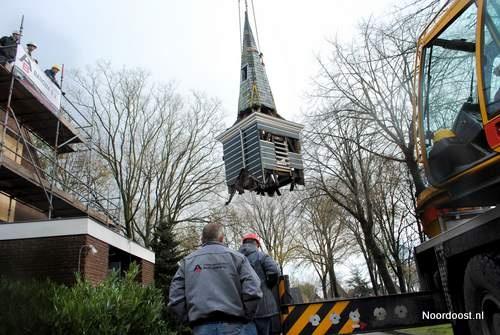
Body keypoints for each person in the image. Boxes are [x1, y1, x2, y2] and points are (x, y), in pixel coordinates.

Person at [169, 223, 263, 335]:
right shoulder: (238, 258)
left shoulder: (187, 262)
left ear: (202, 239)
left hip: (201, 327)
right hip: (234, 326)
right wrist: (246, 316)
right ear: (222, 238)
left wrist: (188, 319)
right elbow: (253, 290)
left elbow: (175, 297)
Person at [239, 233, 280, 335]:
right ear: (257, 244)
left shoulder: (236, 258)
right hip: (263, 308)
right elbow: (274, 271)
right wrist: (268, 285)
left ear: (243, 244)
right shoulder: (261, 256)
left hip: (242, 309)